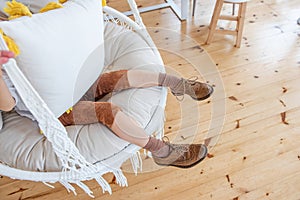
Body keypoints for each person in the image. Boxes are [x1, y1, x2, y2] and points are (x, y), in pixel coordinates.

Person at [0, 50, 214, 169]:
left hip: (72, 84)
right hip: (54, 108)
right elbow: (7, 105)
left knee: (116, 77)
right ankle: (162, 152)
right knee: (106, 110)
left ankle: (178, 84)